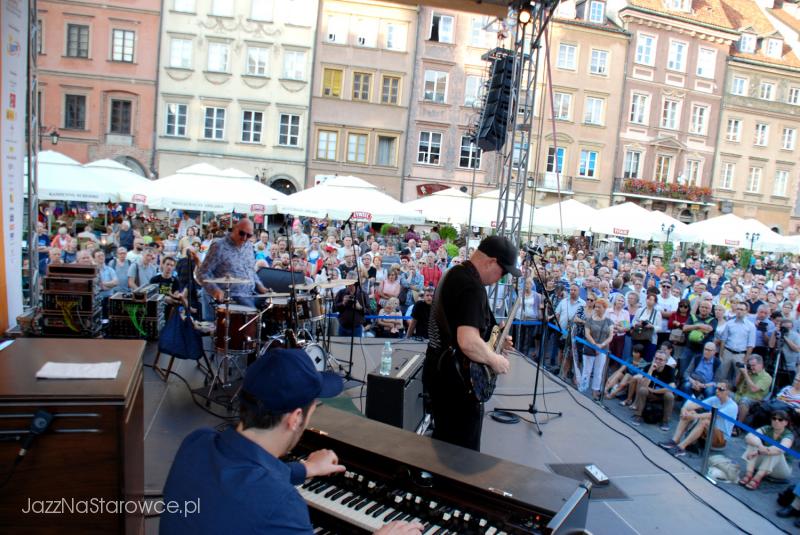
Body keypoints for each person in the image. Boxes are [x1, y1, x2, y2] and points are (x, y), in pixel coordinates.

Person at [161, 347, 422, 534]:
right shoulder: (281, 505)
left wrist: (304, 469)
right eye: (313, 408)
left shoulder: (196, 443)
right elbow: (260, 493)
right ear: (296, 417)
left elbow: (246, 477)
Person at [422, 235, 519, 451]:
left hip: (438, 373)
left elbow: (467, 328)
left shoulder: (454, 273)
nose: (500, 278)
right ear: (491, 262)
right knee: (461, 456)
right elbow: (467, 341)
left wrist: (497, 341)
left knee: (444, 446)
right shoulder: (471, 287)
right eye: (502, 272)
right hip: (457, 384)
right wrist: (495, 359)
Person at [198, 218, 269, 307]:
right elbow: (202, 273)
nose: (244, 238)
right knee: (253, 314)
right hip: (232, 297)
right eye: (242, 233)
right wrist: (215, 291)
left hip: (251, 294)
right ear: (235, 229)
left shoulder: (249, 246)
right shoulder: (219, 246)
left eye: (249, 235)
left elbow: (251, 271)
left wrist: (260, 286)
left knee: (271, 306)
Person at [659, 381, 738, 457]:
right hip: (709, 431)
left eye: (721, 389)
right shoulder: (715, 398)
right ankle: (675, 440)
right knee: (690, 413)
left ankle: (681, 447)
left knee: (704, 421)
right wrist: (684, 409)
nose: (717, 390)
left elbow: (712, 415)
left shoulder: (732, 406)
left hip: (721, 439)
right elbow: (695, 405)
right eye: (716, 388)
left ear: (728, 392)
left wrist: (693, 416)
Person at [739, 409, 794, 490]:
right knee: (754, 442)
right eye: (774, 418)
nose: (776, 421)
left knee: (776, 451)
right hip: (764, 462)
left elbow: (781, 448)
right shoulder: (767, 428)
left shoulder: (788, 434)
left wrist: (759, 451)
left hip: (780, 470)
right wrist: (760, 446)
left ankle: (757, 478)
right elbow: (749, 437)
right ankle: (749, 474)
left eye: (780, 419)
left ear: (786, 422)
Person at [630, 350, 675, 431]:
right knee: (643, 390)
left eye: (661, 360)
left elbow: (672, 388)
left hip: (661, 394)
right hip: (649, 392)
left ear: (666, 361)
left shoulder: (670, 370)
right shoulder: (648, 367)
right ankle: (638, 415)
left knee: (670, 395)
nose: (657, 361)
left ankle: (665, 421)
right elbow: (644, 385)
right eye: (656, 358)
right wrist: (651, 370)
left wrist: (655, 391)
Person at [334, 271, 367, 337]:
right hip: (343, 327)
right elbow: (334, 309)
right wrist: (343, 303)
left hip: (356, 328)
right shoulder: (341, 293)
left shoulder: (362, 294)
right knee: (341, 346)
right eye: (348, 282)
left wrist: (359, 307)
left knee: (356, 347)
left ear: (356, 282)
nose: (350, 285)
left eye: (352, 283)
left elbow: (368, 311)